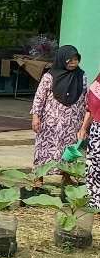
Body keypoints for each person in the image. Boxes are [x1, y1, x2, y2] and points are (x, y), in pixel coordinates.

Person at [31, 45, 87, 184]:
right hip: (50, 122)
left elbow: (86, 97)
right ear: (62, 59)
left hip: (72, 121)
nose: (74, 63)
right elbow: (39, 97)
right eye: (70, 60)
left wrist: (85, 124)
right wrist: (36, 117)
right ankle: (39, 178)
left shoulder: (81, 75)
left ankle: (66, 177)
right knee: (44, 149)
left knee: (69, 150)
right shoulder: (49, 76)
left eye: (76, 59)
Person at [79, 62, 100, 207]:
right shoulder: (98, 82)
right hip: (97, 130)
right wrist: (83, 128)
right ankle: (95, 203)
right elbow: (91, 107)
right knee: (93, 166)